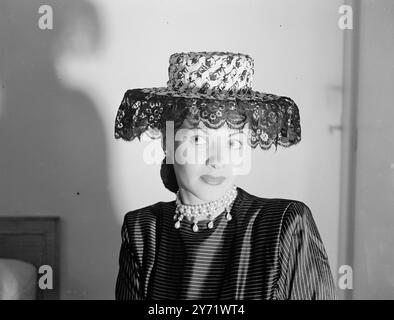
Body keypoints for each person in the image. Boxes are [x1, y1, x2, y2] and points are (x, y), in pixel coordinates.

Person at [114, 51, 337, 300]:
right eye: (199, 139)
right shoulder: (143, 231)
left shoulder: (285, 225)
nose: (218, 160)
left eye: (233, 142)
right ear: (167, 142)